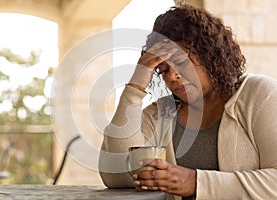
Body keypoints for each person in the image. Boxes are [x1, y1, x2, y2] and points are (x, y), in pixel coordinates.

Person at [98, 3, 277, 200]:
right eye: (164, 69)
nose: (173, 76)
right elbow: (115, 175)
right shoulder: (160, 114)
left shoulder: (260, 95)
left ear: (210, 55)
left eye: (181, 62)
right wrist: (135, 88)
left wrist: (195, 182)